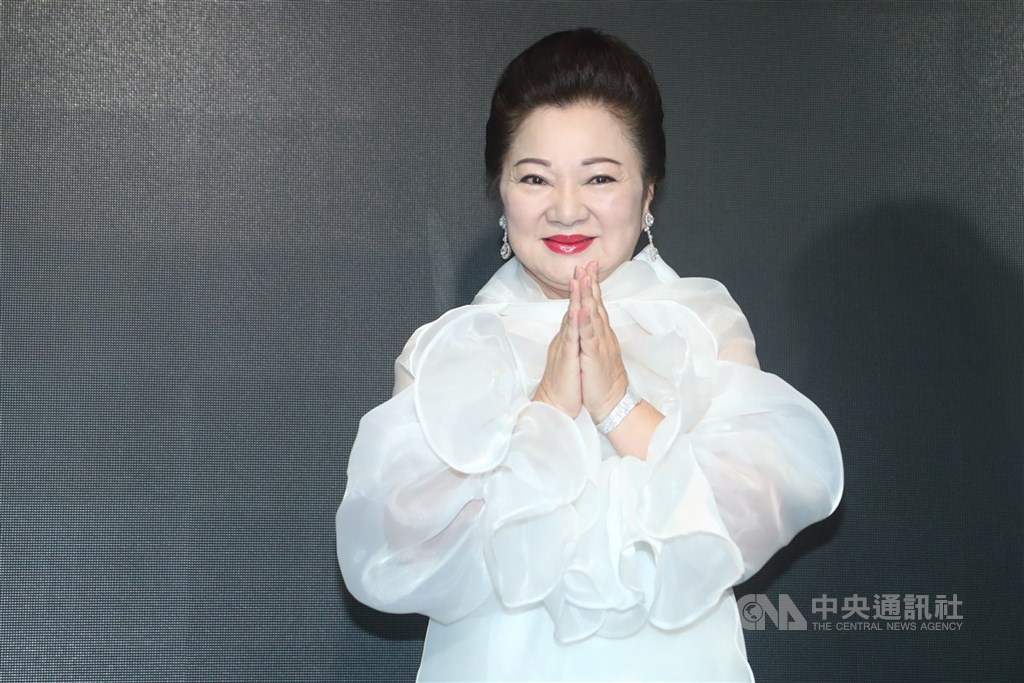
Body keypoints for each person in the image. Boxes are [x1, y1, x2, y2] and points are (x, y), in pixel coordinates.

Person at [337, 28, 843, 682]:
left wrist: (617, 404)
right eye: (535, 178)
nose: (567, 209)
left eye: (599, 177)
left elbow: (752, 510)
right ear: (501, 192)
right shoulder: (449, 352)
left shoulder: (698, 324)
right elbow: (401, 550)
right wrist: (546, 409)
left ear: (648, 189)